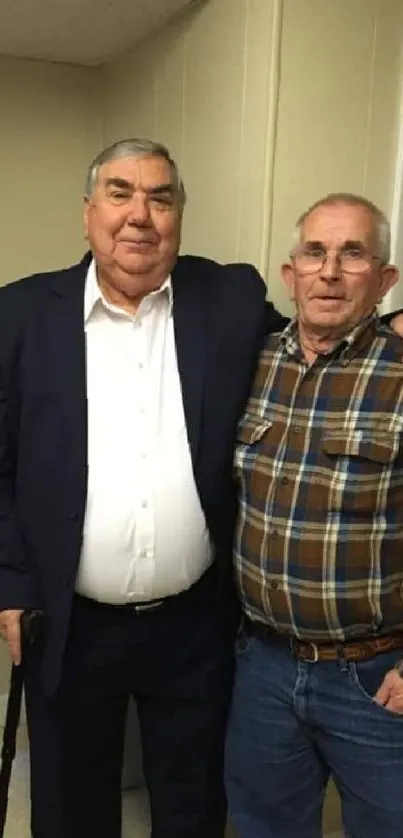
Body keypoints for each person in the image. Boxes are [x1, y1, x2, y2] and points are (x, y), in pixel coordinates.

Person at [0, 138, 289, 838]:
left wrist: (389, 328)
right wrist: (11, 581)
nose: (141, 215)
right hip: (69, 622)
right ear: (88, 212)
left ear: (180, 216)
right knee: (72, 804)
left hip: (196, 620)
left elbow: (315, 345)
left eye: (161, 198)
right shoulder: (20, 314)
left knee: (192, 802)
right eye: (121, 193)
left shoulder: (230, 299)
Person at [225, 192, 403, 838]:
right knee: (264, 827)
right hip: (262, 668)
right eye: (314, 251)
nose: (328, 271)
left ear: (384, 278)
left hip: (377, 679)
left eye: (351, 253)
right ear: (289, 273)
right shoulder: (251, 363)